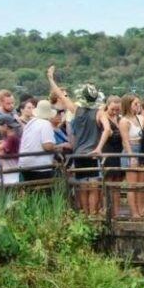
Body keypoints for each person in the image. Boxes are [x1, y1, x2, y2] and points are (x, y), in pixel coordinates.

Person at [48, 66, 103, 214]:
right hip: (92, 153)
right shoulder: (98, 113)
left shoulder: (76, 111)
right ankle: (92, 214)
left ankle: (85, 214)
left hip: (78, 153)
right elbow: (108, 129)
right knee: (93, 186)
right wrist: (99, 147)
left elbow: (62, 96)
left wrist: (51, 79)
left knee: (82, 187)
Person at [18, 100, 58, 182]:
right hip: (39, 165)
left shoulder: (30, 123)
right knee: (45, 190)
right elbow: (47, 146)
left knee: (31, 190)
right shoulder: (45, 124)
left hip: (25, 163)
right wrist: (57, 148)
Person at [119, 95, 143, 218]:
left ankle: (139, 209)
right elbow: (125, 141)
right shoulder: (124, 121)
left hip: (140, 149)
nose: (138, 106)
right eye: (135, 104)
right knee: (132, 184)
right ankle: (134, 212)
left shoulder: (138, 118)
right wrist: (131, 156)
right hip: (131, 150)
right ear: (128, 105)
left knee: (139, 184)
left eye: (138, 104)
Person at [0, 115, 21, 186]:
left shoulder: (11, 138)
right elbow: (1, 143)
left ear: (5, 126)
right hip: (7, 175)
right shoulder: (10, 136)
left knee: (8, 195)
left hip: (9, 177)